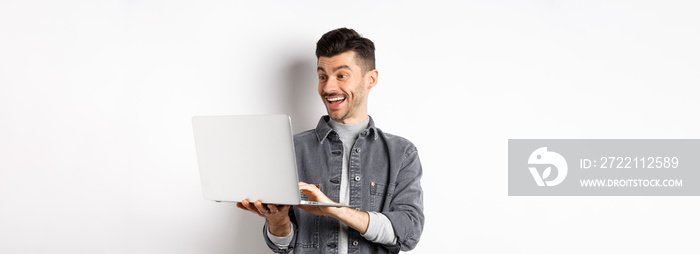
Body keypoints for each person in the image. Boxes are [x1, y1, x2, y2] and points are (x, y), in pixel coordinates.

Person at [237, 28, 424, 254]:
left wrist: (332, 209)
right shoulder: (291, 149)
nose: (328, 88)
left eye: (341, 75)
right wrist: (278, 222)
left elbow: (408, 232)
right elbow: (283, 246)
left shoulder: (401, 153)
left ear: (371, 79)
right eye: (322, 76)